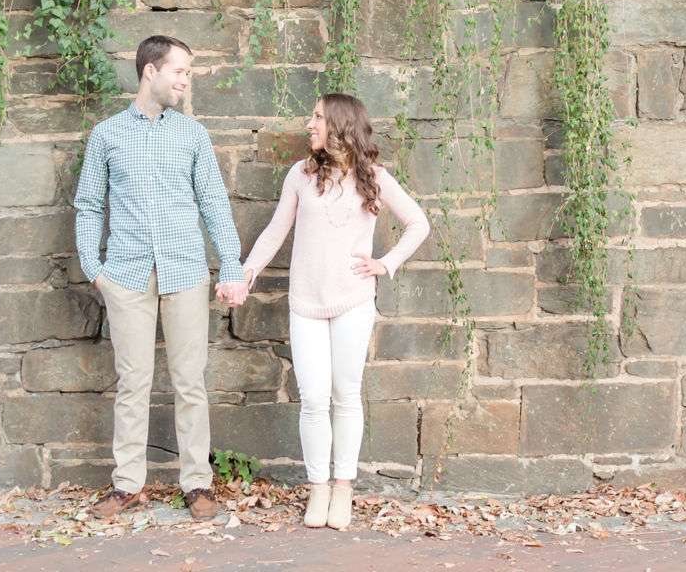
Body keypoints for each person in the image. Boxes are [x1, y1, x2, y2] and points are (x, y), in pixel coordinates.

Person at [74, 35, 249, 521]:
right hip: (126, 274)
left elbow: (214, 206)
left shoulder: (192, 136)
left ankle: (196, 484)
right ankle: (128, 484)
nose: (185, 80)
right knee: (133, 383)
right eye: (180, 71)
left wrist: (231, 264)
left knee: (190, 382)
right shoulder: (106, 135)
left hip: (186, 272)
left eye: (187, 72)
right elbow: (88, 205)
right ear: (151, 71)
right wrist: (95, 269)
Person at [241, 93, 429, 531]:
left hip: (353, 302)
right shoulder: (300, 175)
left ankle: (343, 487)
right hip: (305, 303)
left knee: (346, 395)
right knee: (312, 399)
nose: (309, 124)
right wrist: (246, 273)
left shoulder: (375, 178)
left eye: (318, 117)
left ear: (341, 126)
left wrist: (385, 263)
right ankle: (319, 488)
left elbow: (418, 222)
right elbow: (274, 232)